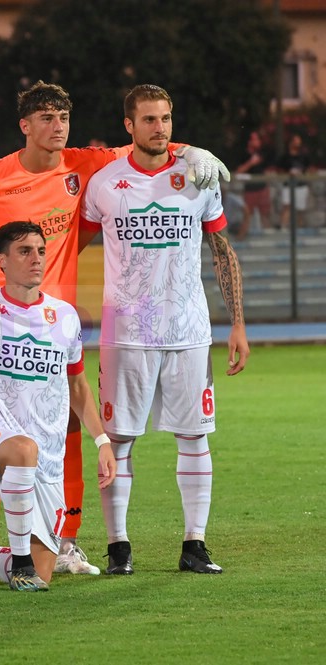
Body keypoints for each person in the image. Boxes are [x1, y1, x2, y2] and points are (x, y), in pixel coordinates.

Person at [0, 81, 229, 575]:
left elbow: (147, 141)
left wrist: (193, 150)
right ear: (25, 125)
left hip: (56, 321)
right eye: (46, 118)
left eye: (63, 117)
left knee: (66, 425)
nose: (57, 127)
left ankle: (65, 540)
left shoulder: (84, 165)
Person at [79, 84, 249, 575]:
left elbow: (222, 251)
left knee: (195, 437)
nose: (160, 128)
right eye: (149, 119)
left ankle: (195, 544)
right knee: (118, 438)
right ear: (128, 125)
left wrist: (238, 324)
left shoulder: (198, 176)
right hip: (126, 333)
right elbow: (74, 248)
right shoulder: (105, 183)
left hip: (188, 329)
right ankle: (119, 547)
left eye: (166, 118)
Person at [0, 221, 116, 591]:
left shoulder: (64, 316)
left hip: (49, 457)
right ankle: (20, 564)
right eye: (24, 251)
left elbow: (77, 385)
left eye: (40, 250)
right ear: (1, 260)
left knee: (44, 571)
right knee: (23, 449)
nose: (36, 258)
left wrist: (102, 442)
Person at [235, 131, 272, 238]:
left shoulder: (262, 154)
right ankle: (241, 237)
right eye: (255, 139)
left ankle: (269, 238)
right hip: (250, 189)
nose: (257, 142)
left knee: (265, 214)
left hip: (262, 188)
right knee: (247, 214)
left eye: (258, 139)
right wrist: (251, 163)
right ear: (250, 141)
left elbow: (268, 169)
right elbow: (239, 171)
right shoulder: (244, 154)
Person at [275, 133, 312, 229]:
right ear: (291, 143)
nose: (298, 144)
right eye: (296, 141)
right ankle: (283, 228)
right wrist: (288, 174)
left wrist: (302, 174)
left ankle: (299, 230)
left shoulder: (304, 156)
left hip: (301, 185)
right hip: (288, 185)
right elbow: (279, 170)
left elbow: (309, 169)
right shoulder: (285, 156)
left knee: (300, 209)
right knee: (287, 206)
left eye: (299, 142)